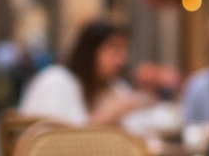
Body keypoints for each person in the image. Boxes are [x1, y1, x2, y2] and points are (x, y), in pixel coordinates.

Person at [18, 19, 147, 125]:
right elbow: (55, 142)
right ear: (89, 51)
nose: (122, 59)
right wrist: (108, 116)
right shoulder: (56, 81)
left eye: (124, 50)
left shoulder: (114, 87)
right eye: (114, 49)